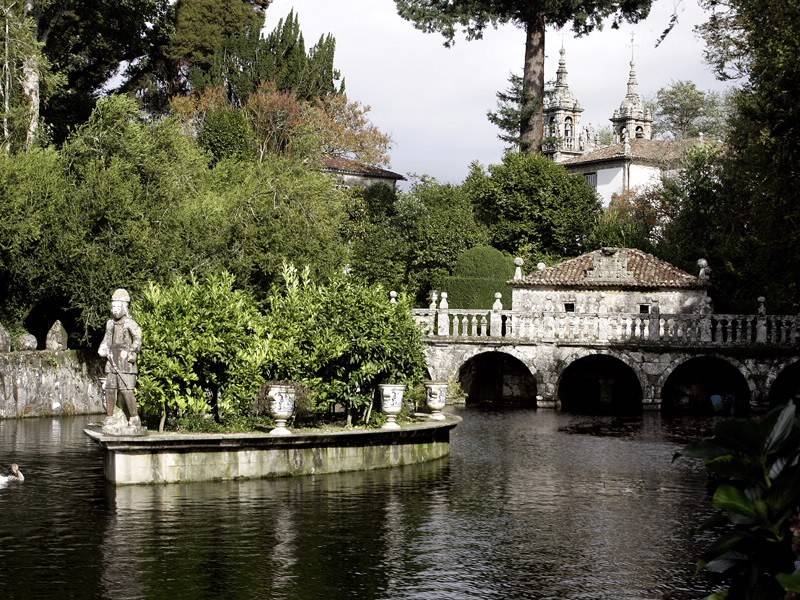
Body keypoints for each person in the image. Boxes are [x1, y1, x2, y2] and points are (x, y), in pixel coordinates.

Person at [98, 288, 142, 428]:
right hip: (112, 359)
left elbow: (138, 339)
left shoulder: (130, 323)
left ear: (124, 307)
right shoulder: (110, 323)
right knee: (110, 388)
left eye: (117, 307)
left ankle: (134, 418)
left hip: (126, 362)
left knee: (126, 390)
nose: (114, 310)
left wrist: (131, 350)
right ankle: (111, 417)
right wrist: (103, 348)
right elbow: (106, 339)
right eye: (113, 307)